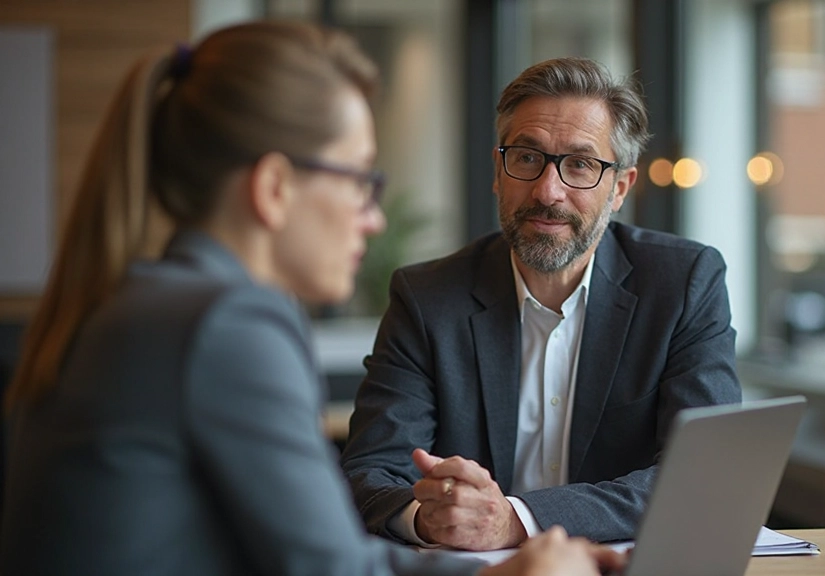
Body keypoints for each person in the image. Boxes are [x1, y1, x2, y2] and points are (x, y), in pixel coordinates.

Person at [0, 21, 625, 576]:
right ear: (274, 187)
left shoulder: (152, 302)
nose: (374, 218)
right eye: (359, 180)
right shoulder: (229, 323)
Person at [341, 56, 742, 552]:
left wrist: (516, 520)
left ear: (620, 188)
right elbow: (369, 471)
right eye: (527, 158)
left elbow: (703, 476)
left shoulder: (684, 284)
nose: (548, 192)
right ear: (498, 171)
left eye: (580, 164)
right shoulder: (428, 298)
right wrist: (430, 519)